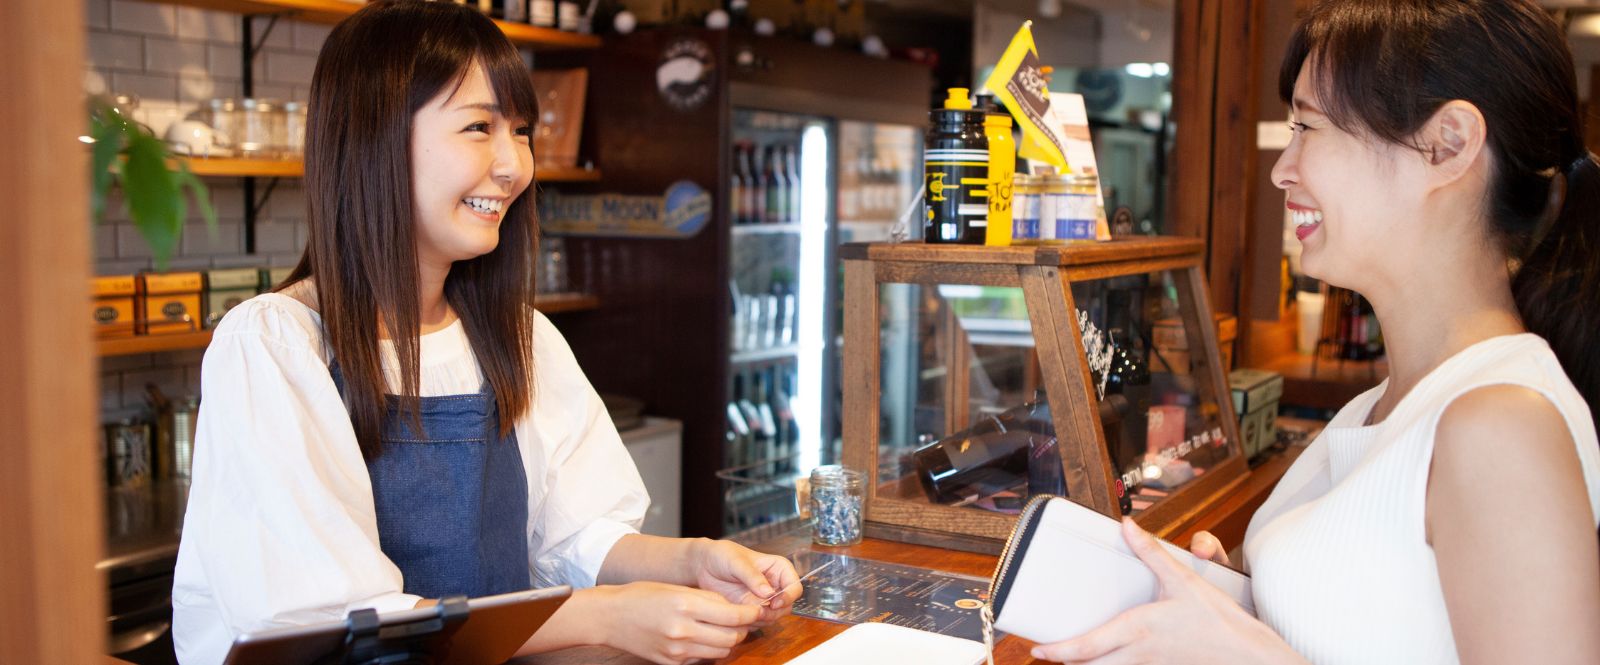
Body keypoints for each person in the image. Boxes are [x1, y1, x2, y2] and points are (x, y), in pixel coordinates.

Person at [170, 3, 800, 664]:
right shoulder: (277, 345)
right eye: (479, 126)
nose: (515, 166)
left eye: (521, 131)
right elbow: (338, 625)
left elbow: (579, 535)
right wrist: (609, 615)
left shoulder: (519, 336)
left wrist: (694, 560)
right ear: (373, 136)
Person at [1031, 1, 1600, 663]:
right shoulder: (1379, 406)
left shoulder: (1504, 424)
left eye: (1309, 126)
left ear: (1447, 144)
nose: (1283, 168)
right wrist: (1237, 606)